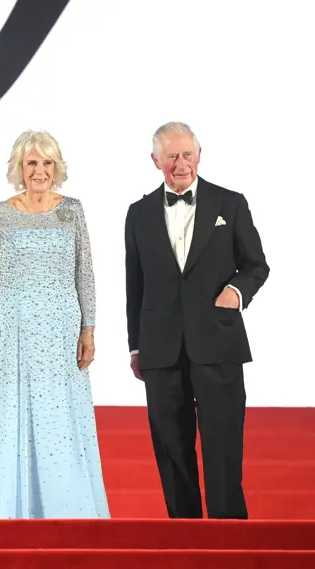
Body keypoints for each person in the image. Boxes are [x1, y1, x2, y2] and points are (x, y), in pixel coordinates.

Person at [0, 130, 110, 519]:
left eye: (47, 163)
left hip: (61, 330)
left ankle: (66, 510)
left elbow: (85, 273)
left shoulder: (71, 211)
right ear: (19, 168)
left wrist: (89, 329)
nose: (40, 171)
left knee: (60, 417)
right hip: (12, 332)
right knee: (12, 414)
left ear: (57, 167)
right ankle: (7, 508)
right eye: (32, 163)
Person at [125, 122, 269, 519]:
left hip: (218, 342)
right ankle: (184, 536)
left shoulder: (231, 203)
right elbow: (133, 285)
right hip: (160, 348)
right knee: (171, 447)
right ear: (156, 161)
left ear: (199, 156)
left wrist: (235, 294)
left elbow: (256, 265)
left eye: (187, 154)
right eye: (171, 156)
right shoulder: (137, 213)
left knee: (222, 445)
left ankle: (230, 538)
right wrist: (136, 346)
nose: (181, 163)